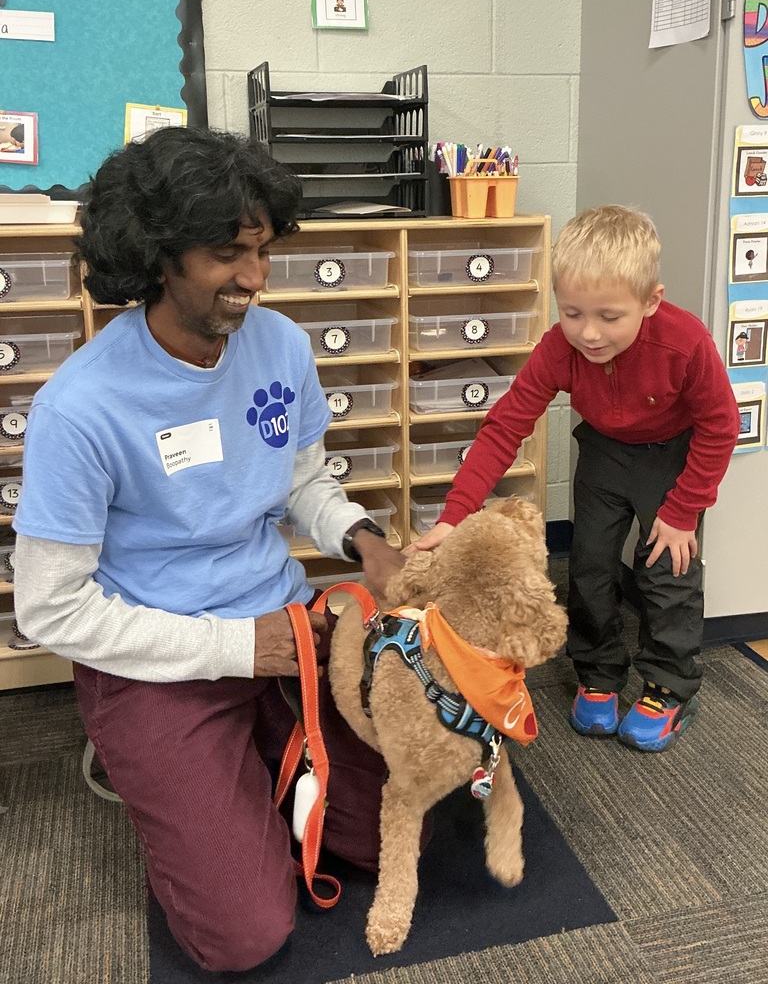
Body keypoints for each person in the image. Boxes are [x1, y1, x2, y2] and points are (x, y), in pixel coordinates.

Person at [12, 126, 405, 973]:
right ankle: (181, 776)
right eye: (227, 253)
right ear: (157, 256)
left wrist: (361, 537)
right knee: (243, 937)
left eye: (261, 250)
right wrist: (233, 648)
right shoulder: (80, 409)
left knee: (391, 834)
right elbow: (49, 606)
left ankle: (245, 766)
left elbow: (301, 482)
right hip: (160, 657)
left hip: (284, 626)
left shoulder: (283, 347)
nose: (255, 279)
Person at [409, 205, 739, 754]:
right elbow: (504, 427)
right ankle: (598, 671)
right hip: (605, 454)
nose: (589, 333)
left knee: (666, 573)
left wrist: (683, 511)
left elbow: (721, 426)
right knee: (587, 564)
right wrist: (455, 515)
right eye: (572, 313)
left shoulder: (685, 343)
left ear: (650, 301)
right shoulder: (560, 348)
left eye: (610, 317)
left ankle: (670, 687)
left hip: (673, 460)